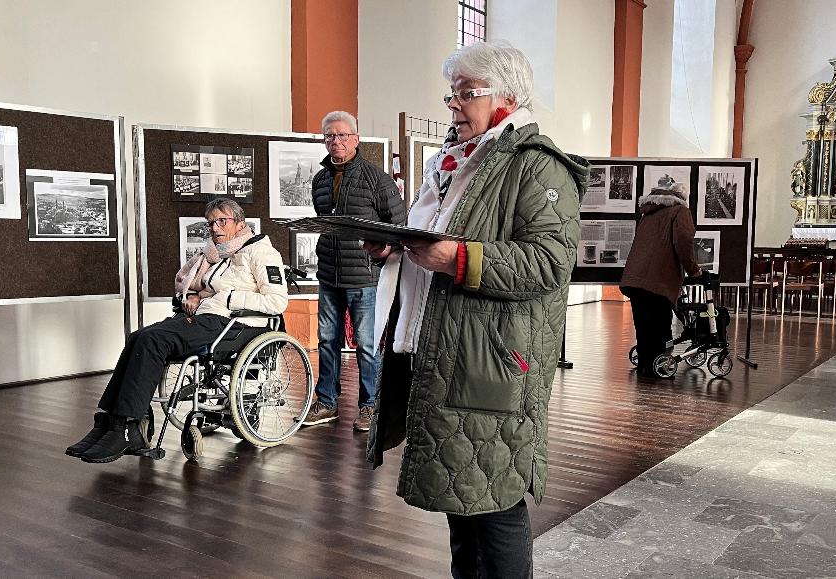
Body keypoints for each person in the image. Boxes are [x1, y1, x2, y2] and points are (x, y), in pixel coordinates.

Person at [364, 41, 587, 578]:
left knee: (494, 500)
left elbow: (549, 262)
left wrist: (457, 258)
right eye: (453, 94)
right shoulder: (454, 163)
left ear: (507, 97)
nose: (454, 105)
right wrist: (397, 249)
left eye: (468, 94)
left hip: (489, 360)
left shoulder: (536, 167)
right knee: (460, 498)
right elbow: (434, 238)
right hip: (442, 349)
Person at [66, 198, 289, 463]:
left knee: (153, 341)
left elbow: (277, 301)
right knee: (138, 337)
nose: (215, 228)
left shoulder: (261, 253)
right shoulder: (222, 254)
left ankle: (128, 427)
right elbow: (209, 288)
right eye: (211, 223)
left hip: (236, 326)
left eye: (222, 221)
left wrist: (227, 299)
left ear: (240, 223)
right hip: (211, 319)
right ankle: (108, 423)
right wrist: (197, 296)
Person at [301, 111, 406, 431]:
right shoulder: (319, 180)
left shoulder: (377, 179)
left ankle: (370, 405)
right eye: (330, 136)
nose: (336, 141)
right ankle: (328, 402)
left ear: (356, 139)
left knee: (367, 343)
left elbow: (399, 224)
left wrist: (383, 249)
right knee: (327, 340)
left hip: (364, 277)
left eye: (343, 135)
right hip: (329, 275)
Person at [620, 177, 701, 378]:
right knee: (659, 325)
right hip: (659, 279)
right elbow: (683, 241)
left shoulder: (648, 213)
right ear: (682, 196)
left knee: (643, 325)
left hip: (635, 278)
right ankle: (658, 367)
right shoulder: (680, 211)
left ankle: (646, 366)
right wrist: (693, 270)